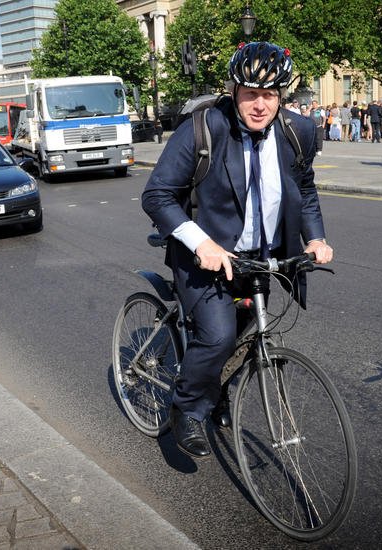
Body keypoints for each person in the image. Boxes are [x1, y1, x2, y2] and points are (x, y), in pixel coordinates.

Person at [141, 41, 332, 458]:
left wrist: (314, 238)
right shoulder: (203, 129)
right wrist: (202, 243)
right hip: (203, 258)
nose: (260, 105)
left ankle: (218, 388)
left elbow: (304, 188)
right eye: (251, 94)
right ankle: (187, 409)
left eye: (269, 95)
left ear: (281, 97)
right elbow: (157, 195)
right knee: (218, 335)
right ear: (233, 91)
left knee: (251, 333)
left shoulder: (298, 132)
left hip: (258, 259)